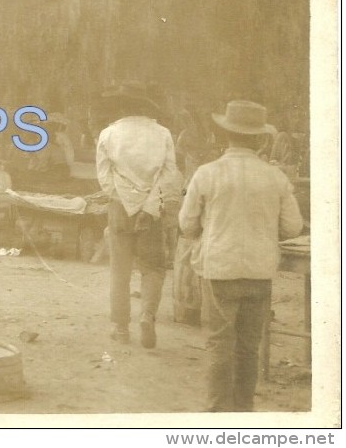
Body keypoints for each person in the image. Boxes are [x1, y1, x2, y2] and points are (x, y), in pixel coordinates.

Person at [178, 100, 303, 413]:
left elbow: (186, 224)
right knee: (249, 346)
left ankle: (216, 411)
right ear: (260, 139)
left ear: (225, 134)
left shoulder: (206, 174)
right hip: (259, 271)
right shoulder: (275, 178)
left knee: (219, 343)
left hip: (219, 268)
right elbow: (293, 227)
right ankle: (244, 410)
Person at [96, 82, 182, 348]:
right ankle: (147, 315)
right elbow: (169, 175)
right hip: (151, 209)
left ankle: (121, 328)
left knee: (119, 270)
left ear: (121, 106)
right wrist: (148, 205)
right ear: (145, 106)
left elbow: (104, 177)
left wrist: (124, 200)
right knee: (153, 268)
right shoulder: (163, 134)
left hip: (120, 208)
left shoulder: (108, 134)